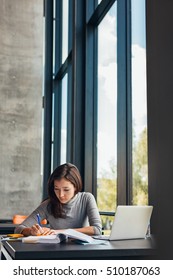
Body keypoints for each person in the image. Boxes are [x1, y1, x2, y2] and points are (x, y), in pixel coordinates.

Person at [15, 163, 102, 236]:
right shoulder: (48, 205)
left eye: (66, 190)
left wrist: (60, 232)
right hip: (56, 250)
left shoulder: (86, 199)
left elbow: (97, 229)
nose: (60, 195)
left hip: (82, 251)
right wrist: (31, 231)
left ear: (75, 187)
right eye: (56, 189)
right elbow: (19, 228)